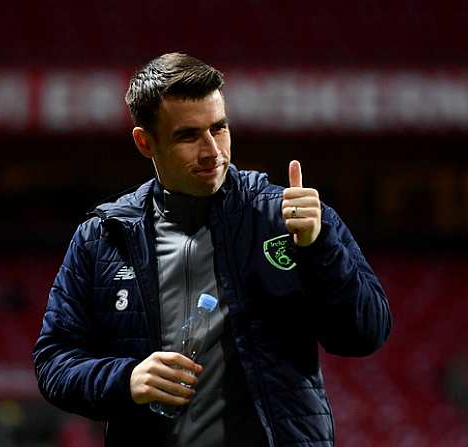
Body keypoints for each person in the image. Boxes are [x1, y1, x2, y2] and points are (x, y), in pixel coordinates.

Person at [33, 52, 392, 447]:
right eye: (188, 135)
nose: (212, 151)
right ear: (145, 142)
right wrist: (127, 378)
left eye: (218, 129)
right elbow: (54, 362)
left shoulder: (290, 217)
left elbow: (365, 334)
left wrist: (318, 247)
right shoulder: (102, 238)